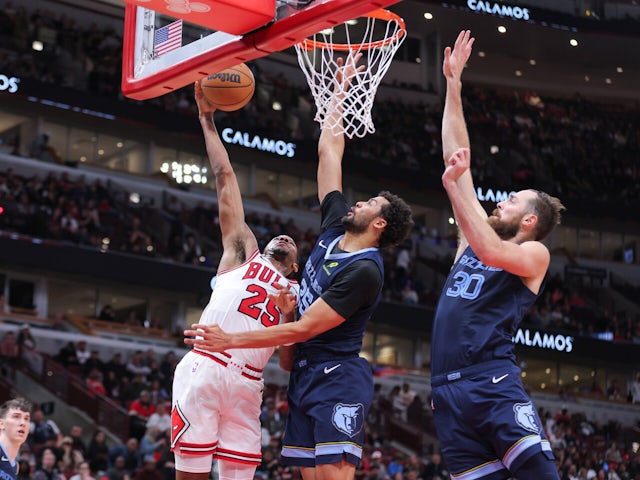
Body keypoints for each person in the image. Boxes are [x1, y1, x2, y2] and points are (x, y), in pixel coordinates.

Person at [185, 54, 413, 480]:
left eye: (369, 204)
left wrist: (230, 338)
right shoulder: (332, 228)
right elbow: (330, 150)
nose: (358, 202)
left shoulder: (365, 271)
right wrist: (341, 89)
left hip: (338, 376)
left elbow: (305, 330)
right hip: (304, 375)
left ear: (379, 224)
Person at [429, 30, 566, 480]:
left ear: (529, 222)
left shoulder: (533, 254)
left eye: (511, 200)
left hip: (492, 383)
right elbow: (457, 155)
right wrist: (453, 86)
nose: (500, 201)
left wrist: (453, 187)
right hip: (445, 392)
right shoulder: (473, 235)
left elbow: (490, 250)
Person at [169, 81, 301, 480]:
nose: (285, 237)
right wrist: (207, 119)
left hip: (248, 384)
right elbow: (225, 176)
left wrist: (285, 320)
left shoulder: (298, 293)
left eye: (293, 243)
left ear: (295, 267)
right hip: (207, 365)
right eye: (281, 235)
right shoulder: (244, 251)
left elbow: (288, 361)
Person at [0, 397, 32, 480]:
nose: (23, 423)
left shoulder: (16, 467)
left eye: (26, 419)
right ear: (1, 424)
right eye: (16, 417)